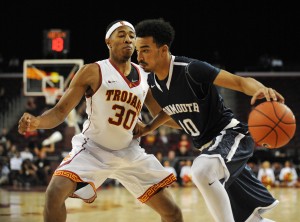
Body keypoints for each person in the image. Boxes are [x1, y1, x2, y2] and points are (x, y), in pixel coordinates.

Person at [18, 20, 183, 222]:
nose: (128, 39)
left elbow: (164, 115)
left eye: (132, 35)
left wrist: (192, 119)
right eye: (121, 35)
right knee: (54, 193)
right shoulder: (93, 71)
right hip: (93, 150)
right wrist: (36, 122)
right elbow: (60, 111)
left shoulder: (145, 76)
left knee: (172, 212)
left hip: (129, 152)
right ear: (108, 41)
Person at [134, 18, 285, 222]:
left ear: (163, 50)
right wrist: (150, 127)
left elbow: (240, 82)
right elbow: (173, 113)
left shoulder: (190, 70)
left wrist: (261, 89)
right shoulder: (152, 82)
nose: (139, 57)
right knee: (251, 220)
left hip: (232, 135)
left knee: (201, 170)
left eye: (145, 50)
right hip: (210, 149)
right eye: (137, 51)